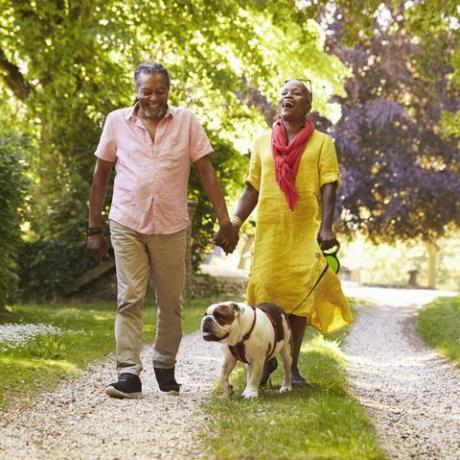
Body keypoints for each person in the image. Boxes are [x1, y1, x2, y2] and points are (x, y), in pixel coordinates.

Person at [87, 62, 239, 398]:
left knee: (170, 302)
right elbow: (100, 176)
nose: (154, 97)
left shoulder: (186, 122)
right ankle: (128, 373)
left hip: (171, 226)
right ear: (136, 92)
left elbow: (205, 172)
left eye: (160, 91)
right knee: (129, 298)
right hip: (126, 221)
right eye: (147, 91)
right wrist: (93, 228)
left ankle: (164, 365)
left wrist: (224, 220)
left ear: (168, 91)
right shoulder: (116, 121)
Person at [219, 79, 352, 386]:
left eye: (297, 93)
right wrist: (235, 222)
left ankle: (292, 368)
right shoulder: (262, 141)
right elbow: (252, 186)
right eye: (284, 92)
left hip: (305, 232)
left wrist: (327, 226)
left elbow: (328, 185)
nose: (288, 96)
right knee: (265, 294)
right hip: (270, 233)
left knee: (298, 299)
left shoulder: (322, 143)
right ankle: (264, 362)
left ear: (308, 105)